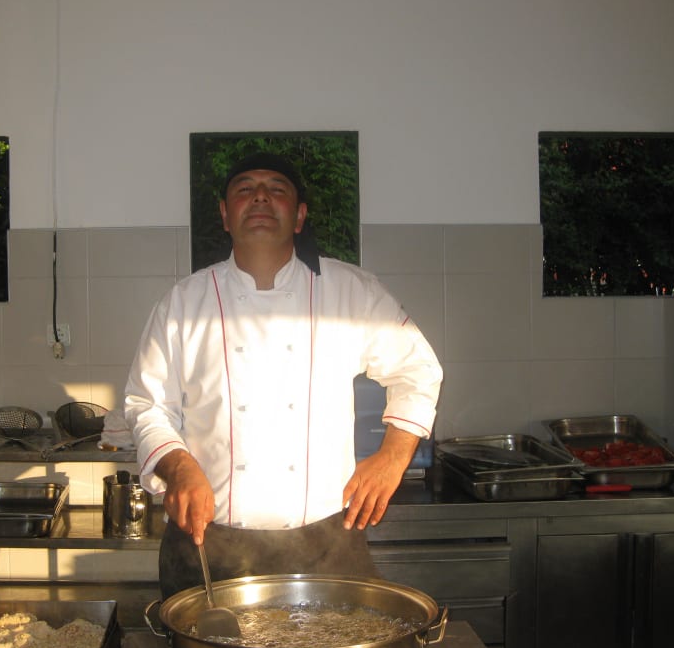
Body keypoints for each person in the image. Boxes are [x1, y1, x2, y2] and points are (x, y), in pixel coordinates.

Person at [124, 152, 442, 599]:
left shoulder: (351, 293)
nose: (260, 197)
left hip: (326, 544)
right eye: (245, 189)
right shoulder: (182, 304)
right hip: (208, 544)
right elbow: (147, 404)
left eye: (276, 189)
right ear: (225, 215)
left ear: (299, 216)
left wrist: (392, 457)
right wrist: (178, 468)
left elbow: (419, 370)